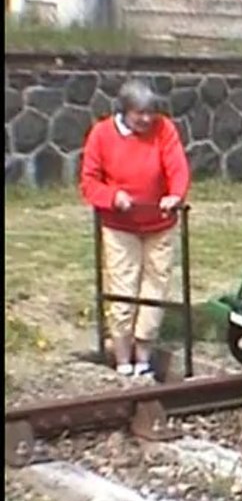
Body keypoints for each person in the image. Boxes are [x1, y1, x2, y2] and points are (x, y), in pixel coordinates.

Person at [80, 78, 191, 377]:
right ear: (124, 111)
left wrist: (175, 195)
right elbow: (89, 182)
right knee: (123, 286)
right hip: (120, 225)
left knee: (155, 287)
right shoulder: (102, 135)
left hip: (159, 222)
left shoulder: (164, 128)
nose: (146, 119)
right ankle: (122, 358)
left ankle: (144, 357)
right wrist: (112, 197)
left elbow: (177, 167)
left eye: (150, 112)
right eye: (139, 113)